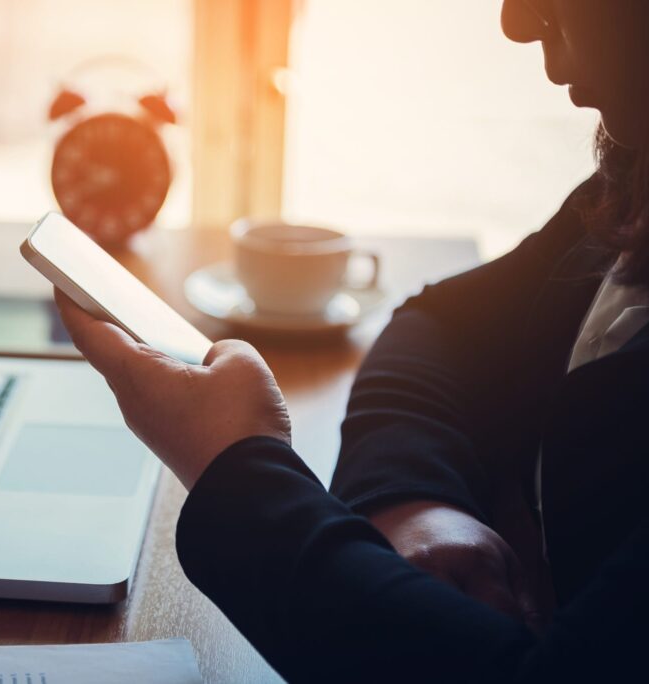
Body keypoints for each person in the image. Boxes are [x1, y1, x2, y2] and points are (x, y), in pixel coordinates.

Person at [53, 1, 649, 681]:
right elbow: (444, 327)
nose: (515, 20)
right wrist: (413, 499)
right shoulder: (627, 193)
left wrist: (233, 466)